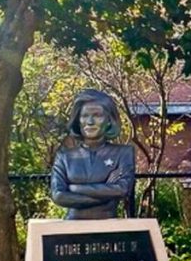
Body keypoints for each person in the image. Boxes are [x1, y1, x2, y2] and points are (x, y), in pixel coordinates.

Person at [50, 89, 135, 219]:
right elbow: (58, 195)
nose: (90, 122)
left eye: (97, 115)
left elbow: (122, 189)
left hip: (109, 225)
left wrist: (75, 188)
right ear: (78, 120)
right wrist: (106, 192)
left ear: (109, 120)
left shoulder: (123, 153)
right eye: (84, 116)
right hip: (72, 227)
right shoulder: (65, 157)